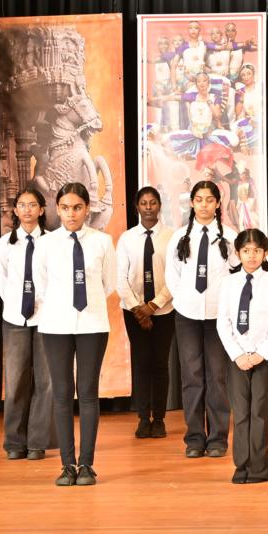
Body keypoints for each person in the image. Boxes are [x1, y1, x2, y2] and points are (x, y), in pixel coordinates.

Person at [34, 183, 117, 486]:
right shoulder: (45, 244)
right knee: (61, 393)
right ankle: (67, 464)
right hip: (56, 325)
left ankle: (87, 465)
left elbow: (109, 284)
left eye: (77, 207)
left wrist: (86, 304)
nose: (71, 214)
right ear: (57, 209)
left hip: (92, 324)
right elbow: (41, 284)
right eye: (66, 208)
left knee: (88, 392)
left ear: (87, 209)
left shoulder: (102, 242)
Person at [165, 180, 238, 459]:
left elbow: (236, 274)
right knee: (192, 376)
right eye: (199, 199)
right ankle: (195, 438)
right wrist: (185, 300)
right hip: (187, 315)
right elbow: (172, 276)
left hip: (219, 316)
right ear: (192, 203)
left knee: (217, 377)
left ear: (218, 203)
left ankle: (218, 438)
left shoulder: (229, 237)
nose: (204, 205)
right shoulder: (179, 237)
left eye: (209, 200)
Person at [217, 229, 268, 484]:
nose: (252, 255)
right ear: (237, 253)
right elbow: (223, 322)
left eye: (257, 250)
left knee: (258, 411)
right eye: (246, 250)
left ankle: (258, 468)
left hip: (262, 356)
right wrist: (237, 354)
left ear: (265, 253)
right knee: (241, 413)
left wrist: (261, 353)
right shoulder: (229, 283)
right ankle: (241, 465)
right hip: (237, 357)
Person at [0, 187, 54, 461]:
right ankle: (15, 442)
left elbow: (56, 279)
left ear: (41, 210)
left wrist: (44, 305)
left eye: (32, 205)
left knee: (46, 381)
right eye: (22, 204)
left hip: (47, 319)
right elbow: (2, 281)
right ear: (16, 210)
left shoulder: (52, 242)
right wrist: (18, 305)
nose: (27, 209)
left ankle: (37, 442)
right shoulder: (5, 243)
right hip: (15, 318)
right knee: (16, 380)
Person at [116, 187, 175, 440]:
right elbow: (120, 278)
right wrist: (138, 309)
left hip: (164, 310)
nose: (148, 207)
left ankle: (159, 419)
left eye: (153, 202)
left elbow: (176, 277)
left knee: (160, 364)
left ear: (160, 205)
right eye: (143, 203)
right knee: (141, 363)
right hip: (133, 311)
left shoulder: (172, 237)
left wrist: (154, 305)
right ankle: (142, 418)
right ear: (136, 207)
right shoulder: (127, 238)